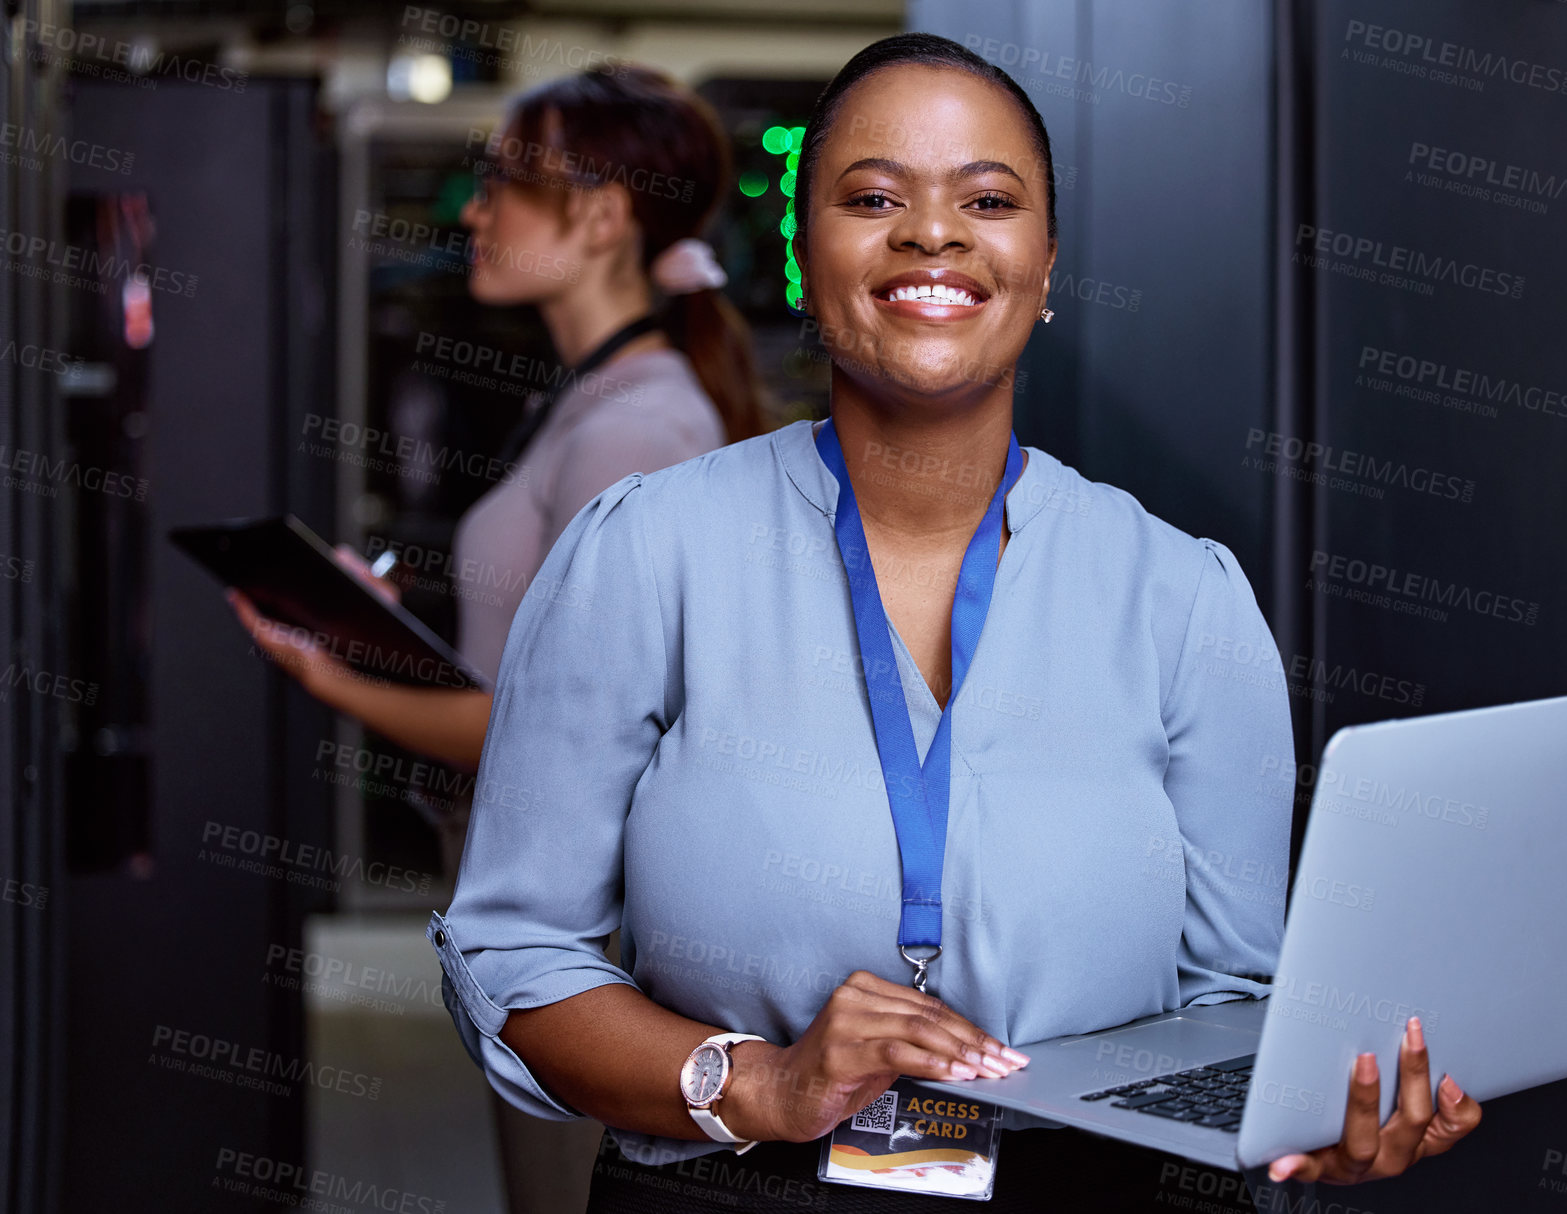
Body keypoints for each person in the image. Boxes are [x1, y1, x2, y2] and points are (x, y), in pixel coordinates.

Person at [427, 33, 1483, 1212]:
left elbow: (1233, 995)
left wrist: (1308, 1117)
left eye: (986, 199)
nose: (931, 234)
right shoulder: (645, 553)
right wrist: (759, 1077)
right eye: (872, 197)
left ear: (1044, 262)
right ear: (799, 249)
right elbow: (513, 952)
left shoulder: (1177, 593)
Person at [233, 64, 764, 1214]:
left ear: (602, 214)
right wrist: (395, 617)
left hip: (595, 935)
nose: (474, 212)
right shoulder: (599, 397)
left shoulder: (638, 420)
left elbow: (558, 735)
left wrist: (322, 667)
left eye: (506, 183)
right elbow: (545, 663)